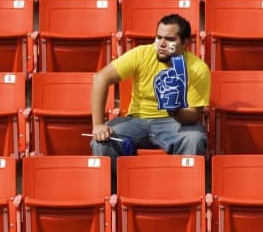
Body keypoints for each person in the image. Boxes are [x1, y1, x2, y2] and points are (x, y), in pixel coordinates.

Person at [90, 13, 211, 186]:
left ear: (184, 43)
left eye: (169, 39)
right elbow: (101, 78)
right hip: (137, 120)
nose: (161, 44)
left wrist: (174, 109)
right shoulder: (142, 54)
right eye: (158, 37)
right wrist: (98, 124)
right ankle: (118, 196)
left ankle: (184, 195)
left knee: (194, 139)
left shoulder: (198, 68)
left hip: (174, 122)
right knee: (100, 141)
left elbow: (193, 116)